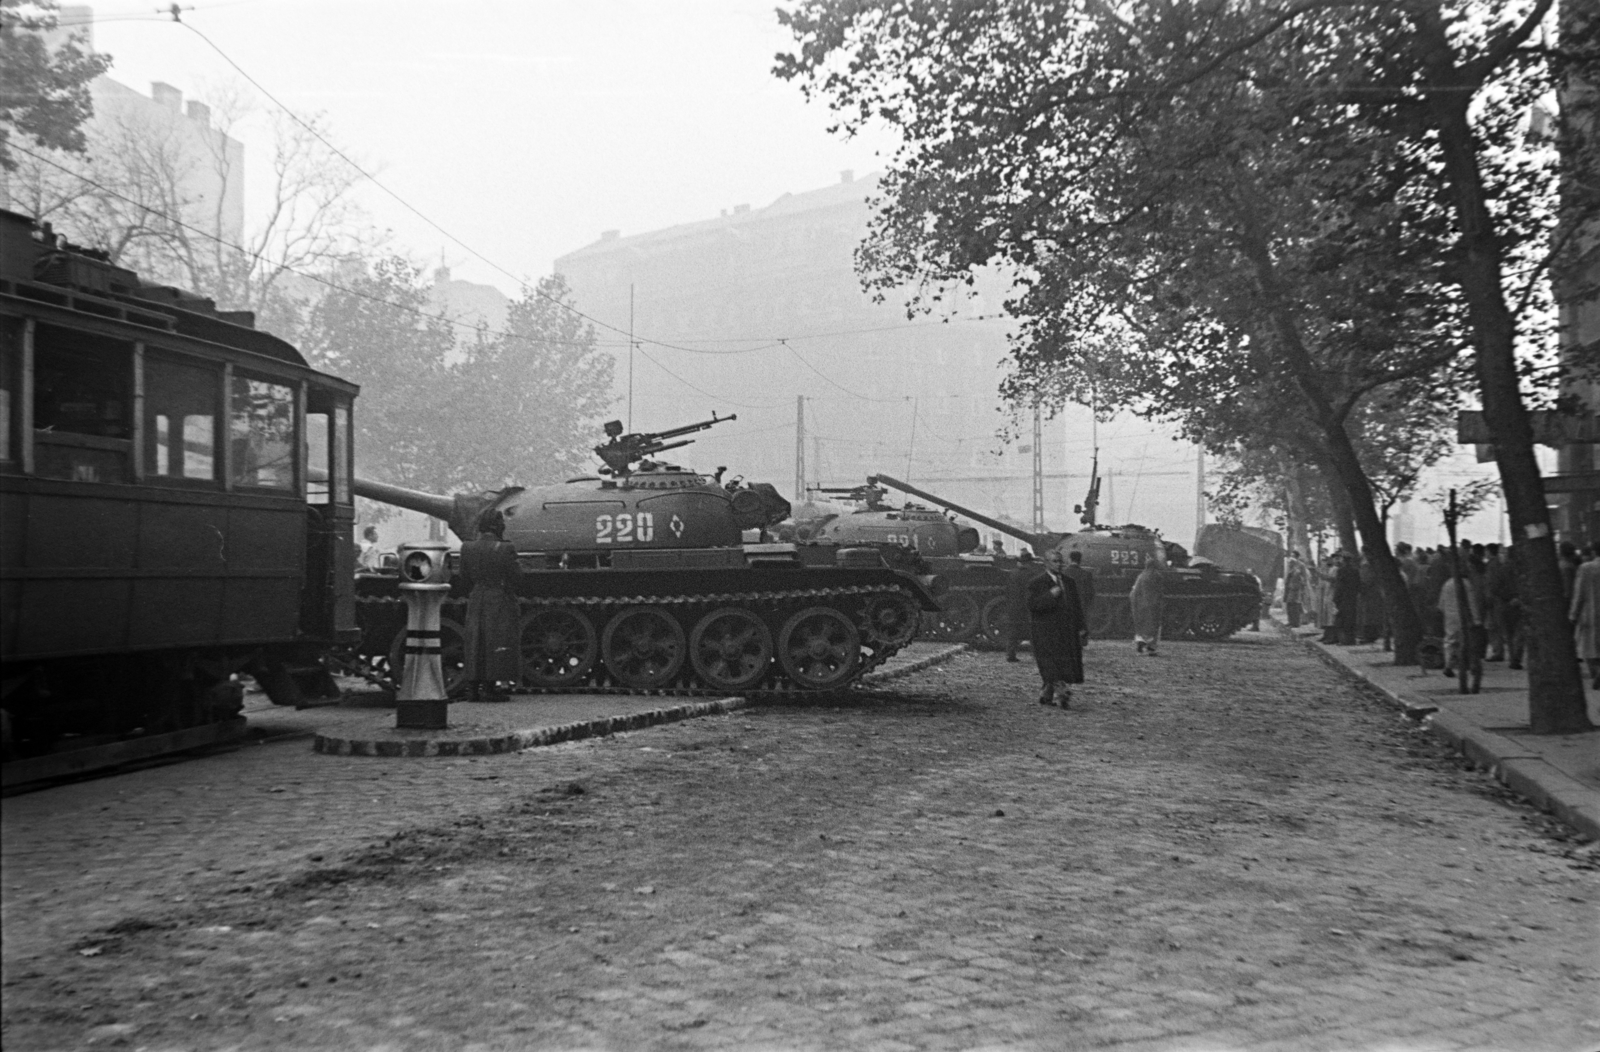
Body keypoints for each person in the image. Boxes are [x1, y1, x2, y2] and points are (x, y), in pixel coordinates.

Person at [459, 508, 522, 702]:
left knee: (475, 640)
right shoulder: (505, 548)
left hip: (477, 596)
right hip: (498, 597)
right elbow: (517, 577)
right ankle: (489, 687)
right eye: (501, 522)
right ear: (497, 526)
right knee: (495, 640)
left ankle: (472, 688)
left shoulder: (467, 548)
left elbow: (464, 578)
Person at [1026, 549, 1086, 706]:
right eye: (1055, 561)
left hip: (1066, 631)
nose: (1059, 564)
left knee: (1062, 663)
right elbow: (1032, 605)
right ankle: (1061, 692)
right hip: (1045, 631)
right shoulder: (1036, 583)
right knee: (1050, 663)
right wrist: (1050, 596)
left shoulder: (1069, 582)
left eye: (1060, 561)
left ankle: (1046, 694)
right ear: (1046, 563)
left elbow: (1076, 606)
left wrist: (1082, 627)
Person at [1438, 563, 1484, 692]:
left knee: (1450, 641)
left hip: (1450, 617)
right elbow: (1471, 602)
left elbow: (1441, 604)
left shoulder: (1446, 584)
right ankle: (1472, 666)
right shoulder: (1467, 584)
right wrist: (1476, 619)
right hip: (1464, 616)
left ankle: (1448, 665)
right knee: (1469, 642)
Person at [1004, 550, 1046, 662]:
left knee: (1013, 630)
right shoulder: (1033, 574)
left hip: (1014, 605)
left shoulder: (1013, 573)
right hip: (1028, 606)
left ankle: (1010, 655)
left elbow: (1007, 591)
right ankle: (1036, 655)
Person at [1570, 541, 1600, 690]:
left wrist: (1573, 615)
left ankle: (1597, 674)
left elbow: (1579, 594)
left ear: (1594, 552)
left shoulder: (1586, 568)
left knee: (1591, 650)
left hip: (1591, 614)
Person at [1130, 554, 1165, 655]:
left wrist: (1135, 604)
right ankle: (1151, 648)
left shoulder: (1141, 576)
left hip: (1141, 605)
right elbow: (1160, 592)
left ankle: (1140, 644)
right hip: (1153, 605)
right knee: (1153, 626)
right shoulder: (1158, 576)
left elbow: (1134, 592)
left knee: (1141, 625)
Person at [1329, 552, 1361, 645]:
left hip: (1343, 598)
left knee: (1342, 619)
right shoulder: (1355, 570)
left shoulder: (1341, 570)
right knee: (1351, 619)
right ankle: (1351, 639)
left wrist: (1336, 598)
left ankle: (1344, 640)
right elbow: (1358, 584)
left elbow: (1339, 585)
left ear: (1343, 560)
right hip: (1352, 597)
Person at [1061, 550, 1096, 636]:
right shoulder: (1087, 574)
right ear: (1080, 560)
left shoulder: (1063, 573)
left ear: (1069, 559)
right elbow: (1090, 592)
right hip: (1081, 604)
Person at [1282, 550, 1308, 628]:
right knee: (1289, 605)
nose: (1292, 557)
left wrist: (1301, 585)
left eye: (1294, 556)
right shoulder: (1290, 564)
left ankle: (1295, 623)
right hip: (1289, 587)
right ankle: (1290, 621)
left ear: (1297, 557)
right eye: (1291, 556)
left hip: (1296, 588)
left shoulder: (1301, 565)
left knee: (1295, 606)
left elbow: (1304, 577)